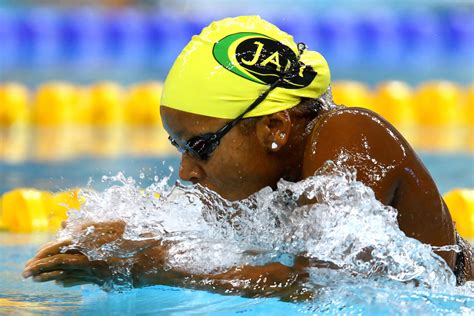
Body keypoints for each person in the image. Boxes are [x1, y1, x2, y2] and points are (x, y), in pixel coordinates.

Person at [23, 16, 472, 295]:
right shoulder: (267, 184)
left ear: (273, 127)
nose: (186, 170)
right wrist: (126, 236)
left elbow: (325, 284)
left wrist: (155, 268)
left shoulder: (350, 136)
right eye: (178, 148)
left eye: (198, 146)